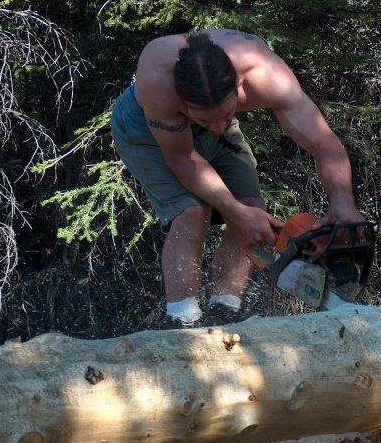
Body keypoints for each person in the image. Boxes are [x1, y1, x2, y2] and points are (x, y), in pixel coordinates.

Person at [111, 28, 364, 327]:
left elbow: (322, 141)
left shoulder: (267, 74)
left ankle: (225, 311)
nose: (219, 127)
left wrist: (343, 201)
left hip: (191, 124)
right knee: (191, 211)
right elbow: (182, 159)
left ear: (238, 87)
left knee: (251, 205)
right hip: (150, 131)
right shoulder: (157, 79)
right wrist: (233, 212)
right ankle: (182, 320)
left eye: (227, 114)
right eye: (207, 119)